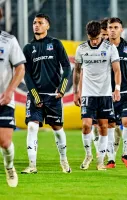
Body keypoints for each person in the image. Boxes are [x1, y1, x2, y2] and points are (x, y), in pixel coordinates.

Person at [21, 13, 72, 174]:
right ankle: (32, 165)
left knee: (58, 129)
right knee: (31, 127)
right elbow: (26, 74)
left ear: (47, 26)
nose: (36, 25)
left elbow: (67, 67)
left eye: (40, 23)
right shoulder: (28, 48)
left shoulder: (55, 44)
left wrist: (62, 89)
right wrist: (34, 95)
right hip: (35, 96)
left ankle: (64, 160)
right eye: (34, 22)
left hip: (53, 96)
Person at [73, 20, 121, 170]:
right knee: (86, 125)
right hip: (88, 93)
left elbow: (117, 70)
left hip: (105, 94)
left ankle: (100, 160)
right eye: (91, 38)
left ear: (101, 33)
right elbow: (77, 71)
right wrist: (76, 92)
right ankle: (88, 155)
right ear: (87, 35)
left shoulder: (110, 48)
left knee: (103, 126)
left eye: (96, 38)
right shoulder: (81, 48)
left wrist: (117, 88)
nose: (94, 42)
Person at [0, 7, 25, 187]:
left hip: (3, 99)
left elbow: (20, 68)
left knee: (4, 141)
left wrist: (9, 91)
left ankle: (9, 167)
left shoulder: (9, 41)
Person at [106, 17, 127, 169]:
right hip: (106, 93)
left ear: (121, 29)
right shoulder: (102, 48)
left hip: (125, 92)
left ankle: (126, 154)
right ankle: (110, 159)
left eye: (116, 27)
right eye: (110, 27)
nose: (112, 30)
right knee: (110, 125)